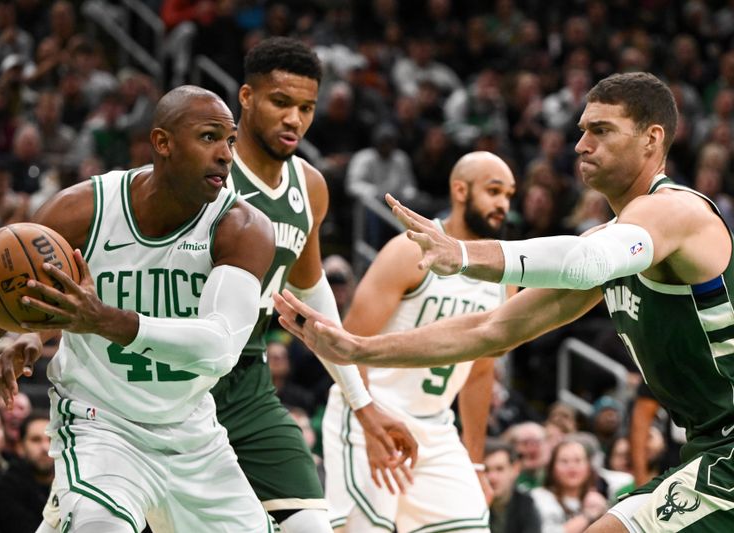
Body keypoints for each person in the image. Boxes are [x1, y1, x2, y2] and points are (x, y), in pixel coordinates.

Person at [275, 71, 734, 531]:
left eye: (601, 130)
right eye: (581, 132)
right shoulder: (612, 244)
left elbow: (587, 262)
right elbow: (489, 331)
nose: (580, 146)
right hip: (709, 449)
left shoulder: (678, 211)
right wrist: (359, 348)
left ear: (652, 139)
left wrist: (462, 253)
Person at [0, 86, 276, 532]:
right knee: (100, 525)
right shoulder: (82, 211)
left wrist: (102, 319)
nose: (225, 154)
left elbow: (218, 348)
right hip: (99, 421)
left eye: (231, 140)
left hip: (191, 430)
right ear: (162, 143)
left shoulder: (241, 227)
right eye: (208, 137)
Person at [214, 36, 416, 533]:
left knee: (310, 524)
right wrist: (29, 329)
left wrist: (363, 407)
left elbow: (311, 294)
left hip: (247, 379)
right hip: (175, 378)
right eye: (280, 102)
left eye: (306, 108)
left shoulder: (310, 185)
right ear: (246, 97)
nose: (294, 120)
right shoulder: (209, 174)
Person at [323, 151, 515, 532]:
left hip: (436, 429)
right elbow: (347, 343)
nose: (503, 204)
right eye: (493, 191)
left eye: (509, 194)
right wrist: (369, 421)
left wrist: (476, 462)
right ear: (460, 190)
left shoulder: (502, 273)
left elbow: (480, 372)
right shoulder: (410, 250)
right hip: (373, 412)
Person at [0, 411, 54, 533]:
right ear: (20, 447)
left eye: (51, 439)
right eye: (36, 440)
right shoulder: (3, 490)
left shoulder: (73, 485)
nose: (45, 448)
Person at [529, 439, 608, 532]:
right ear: (552, 468)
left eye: (578, 460)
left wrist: (604, 511)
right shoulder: (538, 497)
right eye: (564, 461)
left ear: (588, 467)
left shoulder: (596, 499)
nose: (572, 466)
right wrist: (587, 516)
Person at [484, 439, 541, 533]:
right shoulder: (471, 506)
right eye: (486, 470)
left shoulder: (526, 505)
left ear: (515, 469)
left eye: (500, 469)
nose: (492, 477)